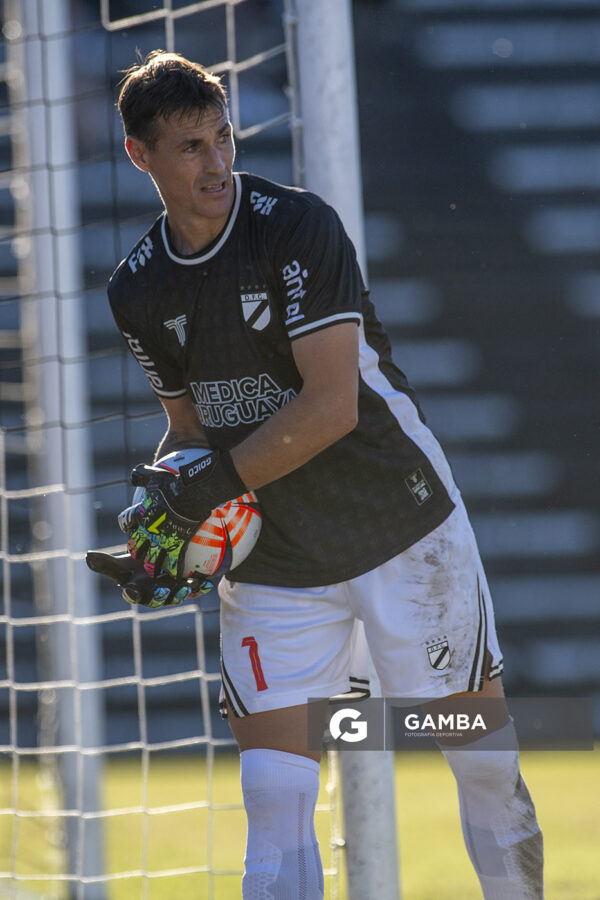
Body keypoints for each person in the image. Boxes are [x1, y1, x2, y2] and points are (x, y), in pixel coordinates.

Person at [90, 50, 544, 899]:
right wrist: (163, 519)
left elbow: (332, 406)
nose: (217, 161)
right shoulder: (137, 290)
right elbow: (187, 432)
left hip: (397, 523)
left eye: (223, 137)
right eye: (189, 146)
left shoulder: (295, 226)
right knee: (273, 793)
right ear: (138, 155)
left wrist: (207, 487)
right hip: (274, 560)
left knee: (477, 754)